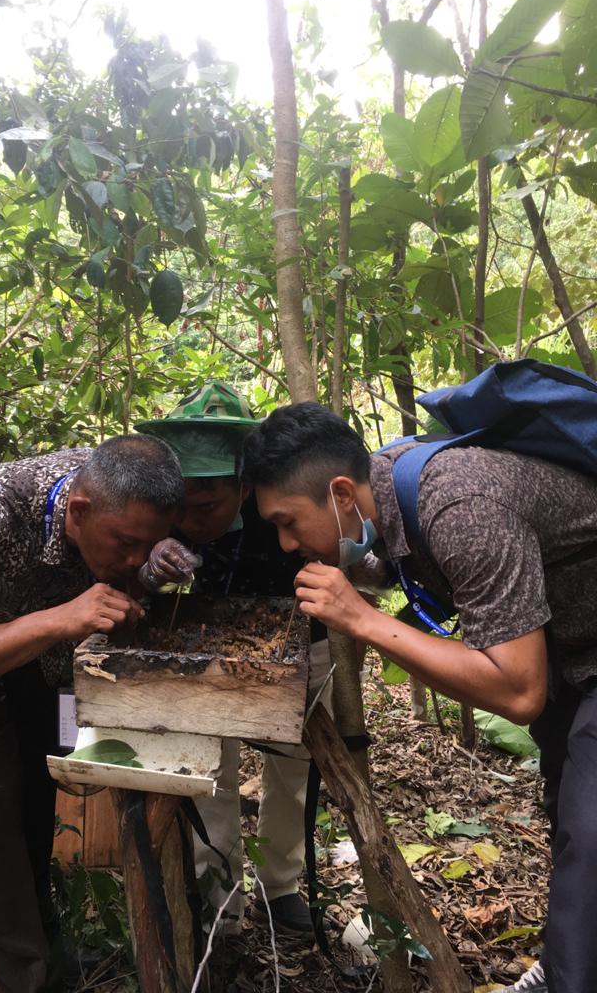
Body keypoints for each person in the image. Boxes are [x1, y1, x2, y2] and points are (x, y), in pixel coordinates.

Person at [240, 400, 597, 993]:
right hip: (574, 656)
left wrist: (364, 622)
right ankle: (570, 959)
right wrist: (364, 578)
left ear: (340, 495)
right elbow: (411, 564)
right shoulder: (392, 482)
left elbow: (519, 690)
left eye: (288, 521)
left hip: (568, 663)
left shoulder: (460, 505)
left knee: (591, 832)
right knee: (571, 813)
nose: (284, 543)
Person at [0, 436, 185, 993]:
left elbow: (124, 574)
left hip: (44, 659)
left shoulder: (120, 499)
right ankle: (26, 975)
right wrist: (59, 619)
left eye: (146, 546)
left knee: (42, 782)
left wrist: (146, 575)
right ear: (78, 511)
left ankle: (42, 933)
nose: (131, 559)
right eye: (125, 544)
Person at [136, 381, 330, 935]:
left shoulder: (285, 508)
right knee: (207, 766)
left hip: (297, 639)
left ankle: (281, 886)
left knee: (294, 764)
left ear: (245, 489)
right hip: (202, 647)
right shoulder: (167, 508)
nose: (192, 522)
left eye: (207, 508)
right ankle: (220, 895)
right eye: (181, 509)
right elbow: (133, 573)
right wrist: (154, 561)